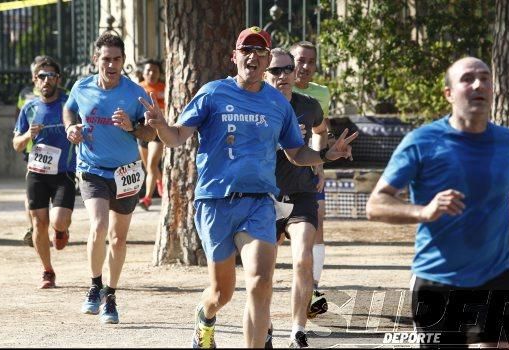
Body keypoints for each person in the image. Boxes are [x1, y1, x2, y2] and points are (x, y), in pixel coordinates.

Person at [138, 26, 357, 348]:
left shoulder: (277, 104)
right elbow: (177, 138)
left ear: (267, 59)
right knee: (221, 292)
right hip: (215, 202)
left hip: (258, 203)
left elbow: (296, 153)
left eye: (260, 51)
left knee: (260, 282)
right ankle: (205, 317)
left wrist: (325, 154)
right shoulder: (213, 93)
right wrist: (160, 127)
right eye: (246, 50)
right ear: (235, 57)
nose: (252, 56)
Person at [366, 56, 509, 348]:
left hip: (496, 275)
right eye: (467, 79)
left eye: (485, 77)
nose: (478, 84)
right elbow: (376, 204)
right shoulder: (423, 141)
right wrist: (425, 211)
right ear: (449, 94)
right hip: (438, 281)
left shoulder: (507, 142)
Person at [63, 33, 156, 324]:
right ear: (96, 60)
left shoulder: (135, 93)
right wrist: (71, 129)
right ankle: (94, 285)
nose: (111, 64)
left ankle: (111, 295)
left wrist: (132, 127)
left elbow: (151, 133)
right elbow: (69, 109)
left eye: (116, 59)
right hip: (92, 168)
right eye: (106, 59)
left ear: (123, 61)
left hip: (125, 173)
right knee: (99, 226)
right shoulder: (82, 87)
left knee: (118, 239)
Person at [264, 47, 328, 348]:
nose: (283, 75)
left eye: (287, 69)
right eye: (275, 70)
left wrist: (318, 163)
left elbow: (320, 128)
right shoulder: (255, 104)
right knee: (262, 269)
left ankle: (298, 330)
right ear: (265, 73)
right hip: (264, 195)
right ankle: (264, 325)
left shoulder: (309, 105)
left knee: (303, 258)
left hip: (302, 191)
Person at [12, 56, 76, 289]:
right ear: (34, 80)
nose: (46, 80)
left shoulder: (69, 103)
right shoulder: (29, 108)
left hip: (64, 172)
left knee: (58, 221)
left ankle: (61, 230)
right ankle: (47, 271)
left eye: (51, 75)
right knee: (39, 223)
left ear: (58, 79)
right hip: (37, 172)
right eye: (41, 76)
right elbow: (16, 144)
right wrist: (29, 134)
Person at [289, 40, 331, 318]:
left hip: (308, 169)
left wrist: (320, 165)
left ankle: (313, 289)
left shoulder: (322, 94)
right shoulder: (275, 88)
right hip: (277, 175)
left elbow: (321, 129)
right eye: (300, 60)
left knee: (318, 223)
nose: (305, 67)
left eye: (311, 62)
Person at [17, 56, 43, 247]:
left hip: (58, 150)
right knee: (31, 193)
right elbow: (19, 117)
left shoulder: (63, 94)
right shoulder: (25, 94)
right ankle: (34, 226)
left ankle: (59, 225)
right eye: (38, 73)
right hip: (32, 150)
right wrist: (23, 134)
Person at [137, 58, 165, 210]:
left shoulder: (165, 87)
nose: (151, 73)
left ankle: (147, 198)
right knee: (148, 167)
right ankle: (160, 182)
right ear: (143, 73)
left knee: (152, 164)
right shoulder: (138, 88)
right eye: (148, 70)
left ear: (159, 73)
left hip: (157, 133)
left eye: (155, 70)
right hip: (142, 131)